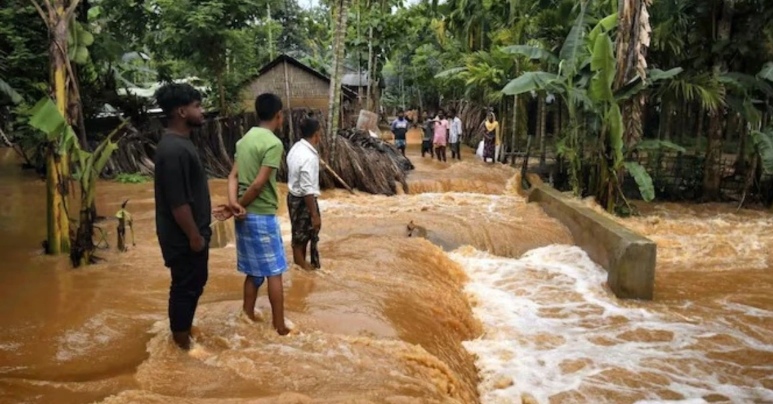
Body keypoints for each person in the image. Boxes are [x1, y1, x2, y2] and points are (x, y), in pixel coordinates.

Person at [227, 93, 291, 336]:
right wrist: (239, 205)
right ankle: (280, 327)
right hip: (261, 215)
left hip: (243, 218)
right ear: (278, 115)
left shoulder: (244, 141)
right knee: (275, 272)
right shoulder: (273, 143)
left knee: (253, 272)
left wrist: (234, 205)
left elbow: (232, 176)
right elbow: (258, 185)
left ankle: (247, 316)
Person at [153, 83, 210, 350]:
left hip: (188, 234)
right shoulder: (173, 150)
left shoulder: (179, 144)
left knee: (192, 285)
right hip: (183, 238)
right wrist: (194, 236)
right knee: (185, 288)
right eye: (197, 106)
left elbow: (188, 194)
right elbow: (178, 203)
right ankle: (181, 344)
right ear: (181, 111)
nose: (202, 111)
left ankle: (182, 333)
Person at [286, 117, 322, 271]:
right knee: (302, 237)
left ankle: (301, 267)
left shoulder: (296, 148)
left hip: (293, 196)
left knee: (300, 235)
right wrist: (314, 215)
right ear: (316, 134)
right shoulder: (308, 156)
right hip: (303, 200)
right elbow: (307, 189)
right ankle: (302, 268)